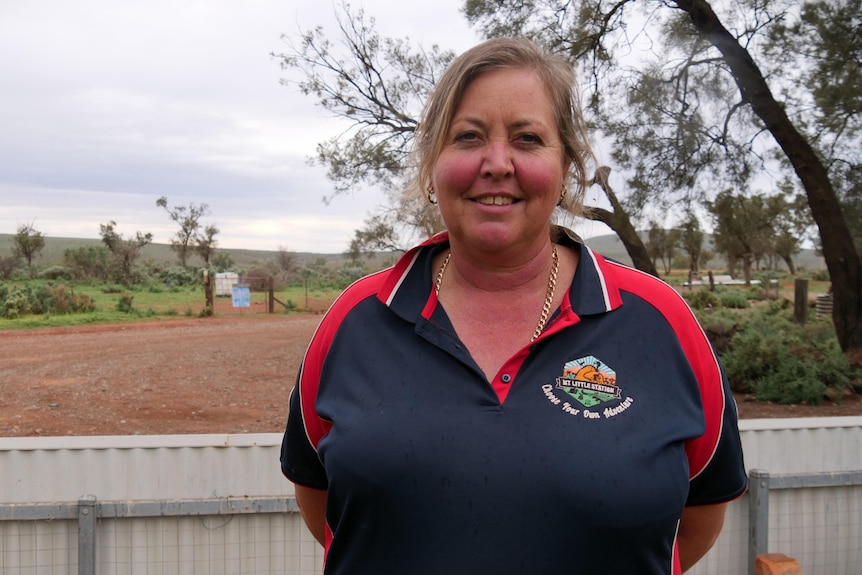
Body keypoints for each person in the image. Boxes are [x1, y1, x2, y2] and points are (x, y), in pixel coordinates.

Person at [280, 37, 747, 574]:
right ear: (434, 163)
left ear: (567, 166)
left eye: (527, 139)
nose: (496, 163)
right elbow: (325, 507)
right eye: (468, 137)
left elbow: (698, 518)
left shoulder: (660, 322)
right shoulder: (357, 318)